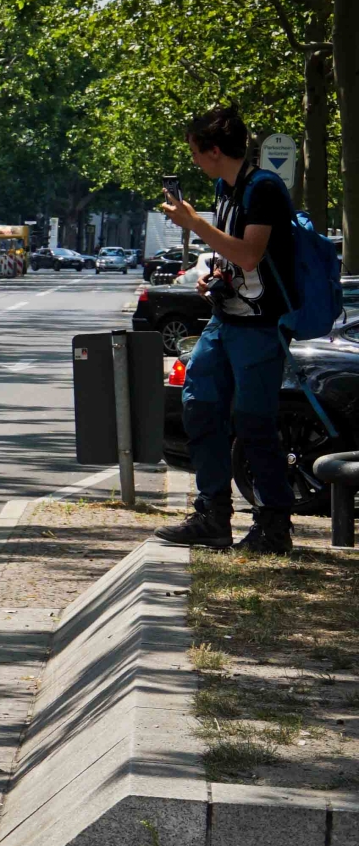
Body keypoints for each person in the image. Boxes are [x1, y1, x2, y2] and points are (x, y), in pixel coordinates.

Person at [156, 105, 299, 555]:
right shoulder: (225, 186)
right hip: (226, 317)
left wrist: (194, 224)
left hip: (259, 325)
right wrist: (213, 274)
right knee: (199, 404)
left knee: (255, 423)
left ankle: (274, 526)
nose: (195, 162)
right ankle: (212, 515)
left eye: (197, 153)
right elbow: (232, 254)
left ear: (214, 150)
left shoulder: (265, 189)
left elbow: (251, 254)